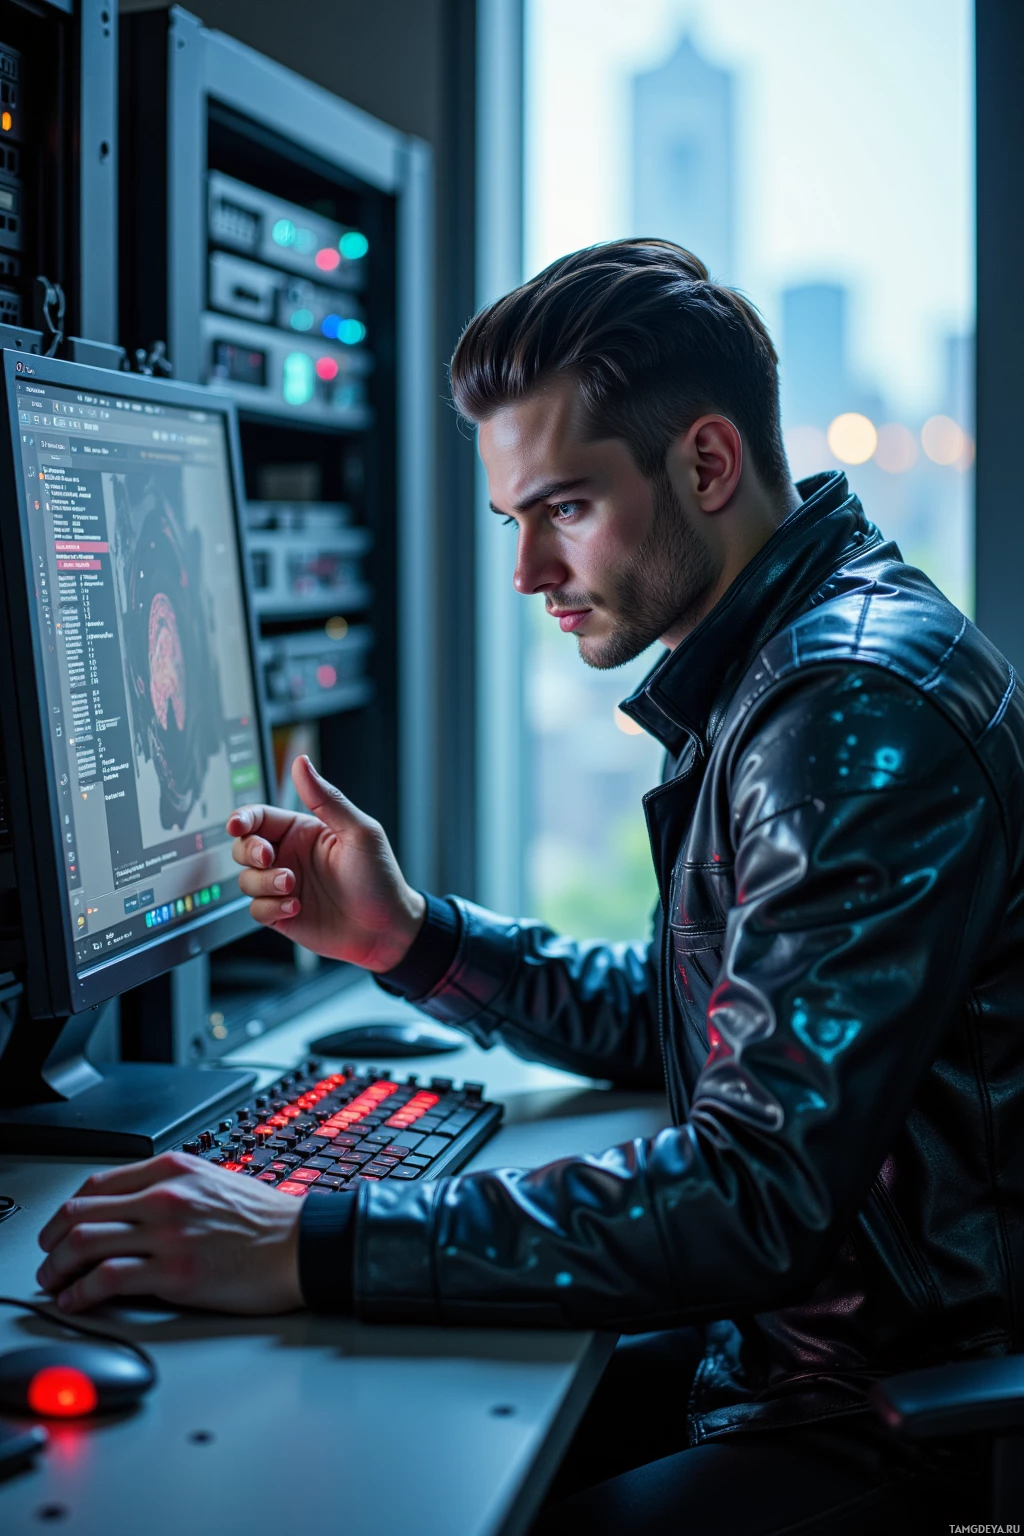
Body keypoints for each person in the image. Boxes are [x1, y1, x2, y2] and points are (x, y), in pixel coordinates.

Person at [36, 242, 1019, 1532]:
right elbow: (701, 1017)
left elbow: (754, 1195)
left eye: (562, 507)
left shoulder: (843, 711)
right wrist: (414, 941)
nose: (527, 575)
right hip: (803, 1357)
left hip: (888, 1424)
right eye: (514, 520)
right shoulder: (790, 667)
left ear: (707, 464)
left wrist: (301, 1242)